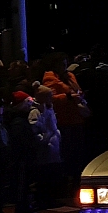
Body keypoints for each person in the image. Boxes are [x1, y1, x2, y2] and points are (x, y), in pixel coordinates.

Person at [42, 51, 88, 198]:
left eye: (65, 63)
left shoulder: (70, 76)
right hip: (64, 121)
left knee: (78, 154)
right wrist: (68, 97)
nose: (64, 66)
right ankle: (66, 189)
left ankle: (76, 185)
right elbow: (50, 98)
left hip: (77, 119)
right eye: (61, 64)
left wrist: (78, 95)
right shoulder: (50, 78)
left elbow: (78, 90)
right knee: (67, 155)